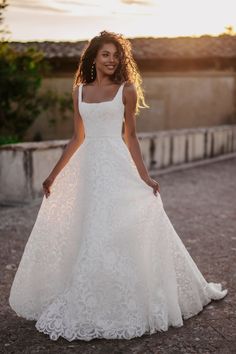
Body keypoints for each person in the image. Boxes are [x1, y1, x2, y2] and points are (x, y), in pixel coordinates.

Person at [9, 30, 228, 342]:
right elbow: (78, 137)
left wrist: (144, 177)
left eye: (116, 55)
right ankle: (90, 291)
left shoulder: (127, 90)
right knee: (87, 231)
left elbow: (131, 136)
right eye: (105, 55)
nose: (111, 60)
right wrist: (53, 175)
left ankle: (124, 295)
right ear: (94, 58)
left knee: (114, 231)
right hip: (88, 169)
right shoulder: (79, 92)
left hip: (116, 167)